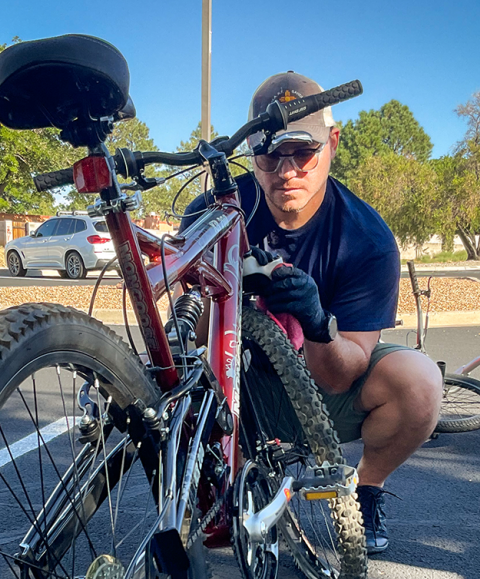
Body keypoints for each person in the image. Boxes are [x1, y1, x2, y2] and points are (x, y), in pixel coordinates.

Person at [182, 72, 443, 554]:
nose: (286, 170)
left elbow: (343, 377)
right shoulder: (212, 212)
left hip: (324, 383)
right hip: (237, 385)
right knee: (166, 381)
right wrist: (222, 296)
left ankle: (366, 489)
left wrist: (317, 321)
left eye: (302, 152)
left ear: (332, 143)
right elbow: (194, 337)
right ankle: (223, 477)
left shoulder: (367, 238)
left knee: (420, 381)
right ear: (251, 153)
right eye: (268, 152)